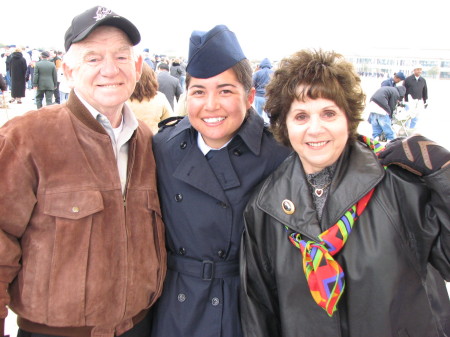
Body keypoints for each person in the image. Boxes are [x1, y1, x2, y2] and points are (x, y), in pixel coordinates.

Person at [240, 49, 450, 337]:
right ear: (284, 125)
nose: (315, 129)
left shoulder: (398, 184)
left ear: (348, 118)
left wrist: (445, 177)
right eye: (301, 116)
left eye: (328, 113)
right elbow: (259, 313)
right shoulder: (266, 207)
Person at [0, 6, 166, 337]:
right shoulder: (27, 137)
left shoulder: (147, 142)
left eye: (121, 57)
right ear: (68, 70)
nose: (110, 69)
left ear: (136, 68)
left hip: (138, 326)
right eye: (93, 58)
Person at [150, 24, 291, 337]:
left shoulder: (279, 155)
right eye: (199, 92)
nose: (210, 105)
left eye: (225, 91)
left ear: (250, 95)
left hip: (245, 306)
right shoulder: (163, 147)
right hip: (176, 304)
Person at [128, 62, 173, 134]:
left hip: (128, 142)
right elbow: (171, 123)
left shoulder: (122, 100)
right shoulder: (160, 98)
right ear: (151, 77)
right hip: (153, 141)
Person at [403, 65, 428, 129]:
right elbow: (403, 90)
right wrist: (402, 100)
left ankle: (411, 130)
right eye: (418, 69)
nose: (419, 71)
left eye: (420, 70)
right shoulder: (408, 79)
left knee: (416, 118)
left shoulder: (423, 80)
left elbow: (425, 91)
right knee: (407, 117)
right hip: (409, 101)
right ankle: (406, 130)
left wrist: (425, 101)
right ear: (414, 70)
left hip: (418, 101)